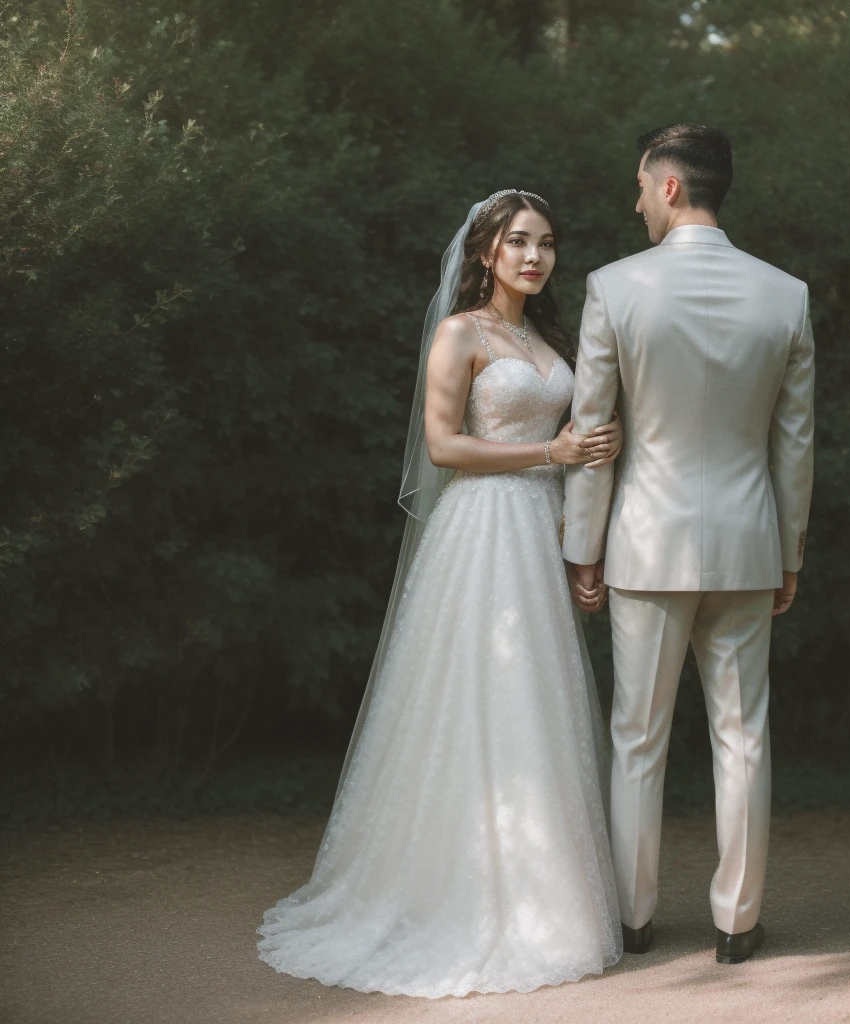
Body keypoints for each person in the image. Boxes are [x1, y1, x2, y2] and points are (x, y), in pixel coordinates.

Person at [257, 190, 624, 997]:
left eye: (548, 244)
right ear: (485, 252)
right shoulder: (461, 334)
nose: (536, 257)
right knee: (470, 697)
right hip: (480, 532)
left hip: (540, 531)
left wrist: (582, 528)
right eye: (520, 243)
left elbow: (577, 445)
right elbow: (443, 444)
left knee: (537, 700)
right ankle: (447, 892)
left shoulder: (545, 337)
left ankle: (549, 899)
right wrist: (549, 452)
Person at [562, 124, 815, 965]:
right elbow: (794, 444)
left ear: (669, 187)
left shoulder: (614, 288)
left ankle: (635, 920)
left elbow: (594, 431)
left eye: (640, 185)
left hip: (645, 545)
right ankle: (737, 924)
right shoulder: (787, 295)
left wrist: (582, 549)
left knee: (638, 736)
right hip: (747, 545)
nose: (634, 199)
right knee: (743, 738)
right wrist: (791, 552)